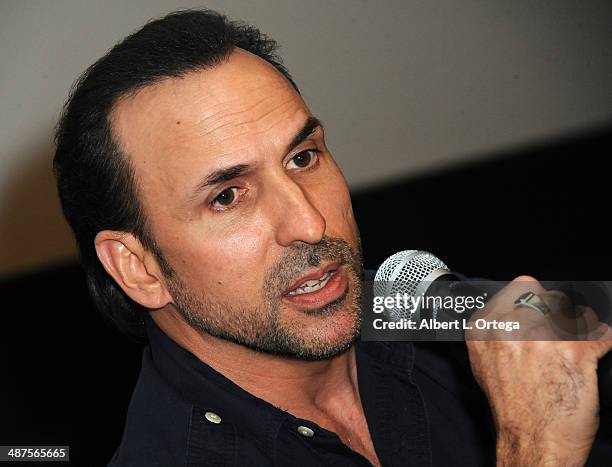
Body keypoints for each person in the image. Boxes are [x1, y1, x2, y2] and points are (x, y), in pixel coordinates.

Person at [53, 9, 612, 466]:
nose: (310, 223)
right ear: (139, 268)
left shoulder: (412, 303)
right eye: (226, 196)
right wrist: (540, 452)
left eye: (303, 157)